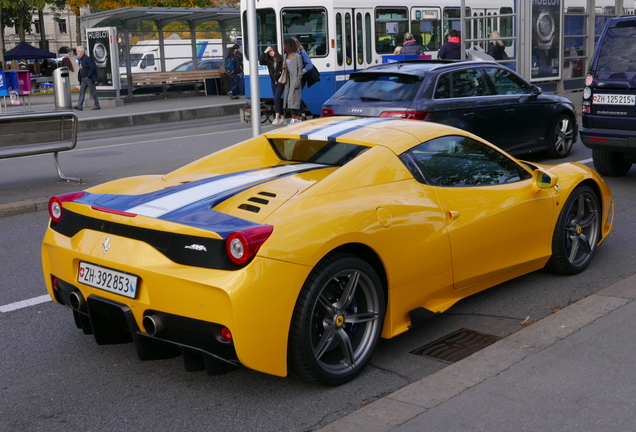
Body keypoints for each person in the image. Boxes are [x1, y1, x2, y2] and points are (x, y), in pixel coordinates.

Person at [259, 45, 286, 126]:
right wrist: (264, 52)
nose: (270, 53)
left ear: (275, 50)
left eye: (272, 51)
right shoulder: (269, 60)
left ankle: (277, 118)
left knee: (277, 98)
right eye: (269, 52)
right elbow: (260, 61)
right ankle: (283, 118)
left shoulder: (281, 59)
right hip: (273, 81)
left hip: (281, 80)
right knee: (276, 99)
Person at [283, 38, 304, 125]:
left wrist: (298, 80)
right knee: (289, 99)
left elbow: (300, 69)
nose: (284, 46)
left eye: (285, 45)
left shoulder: (297, 56)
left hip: (295, 80)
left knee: (293, 99)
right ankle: (294, 117)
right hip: (288, 80)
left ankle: (297, 118)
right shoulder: (285, 56)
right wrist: (283, 67)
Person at [74, 45, 100, 111]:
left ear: (82, 51)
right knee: (82, 92)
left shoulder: (87, 59)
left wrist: (89, 75)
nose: (77, 52)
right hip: (83, 78)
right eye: (77, 51)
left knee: (93, 91)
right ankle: (79, 105)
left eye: (78, 51)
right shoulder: (81, 60)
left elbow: (92, 67)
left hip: (88, 78)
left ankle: (97, 105)